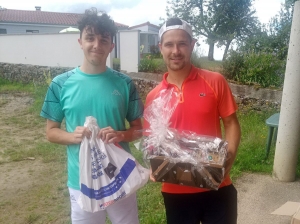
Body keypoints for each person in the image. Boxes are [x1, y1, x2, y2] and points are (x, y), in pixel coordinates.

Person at [40, 8, 143, 224]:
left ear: (111, 46)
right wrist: (73, 136)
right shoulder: (60, 84)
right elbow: (50, 132)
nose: (96, 45)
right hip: (81, 182)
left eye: (103, 39)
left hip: (120, 178)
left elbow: (139, 129)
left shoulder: (124, 84)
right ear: (80, 42)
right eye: (90, 38)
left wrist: (121, 135)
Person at [143, 18, 241, 224]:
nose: (175, 50)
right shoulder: (154, 96)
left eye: (182, 43)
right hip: (175, 190)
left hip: (216, 185)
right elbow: (152, 140)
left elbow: (231, 123)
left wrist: (229, 156)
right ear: (160, 48)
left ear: (192, 45)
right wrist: (154, 164)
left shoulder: (215, 81)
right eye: (169, 44)